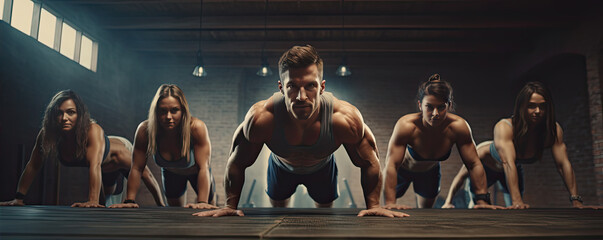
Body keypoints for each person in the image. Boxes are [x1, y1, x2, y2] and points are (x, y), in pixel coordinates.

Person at [194, 45, 407, 217]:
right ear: (281, 87)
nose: (301, 96)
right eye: (292, 86)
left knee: (325, 216)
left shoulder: (344, 119)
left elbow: (370, 161)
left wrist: (373, 206)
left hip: (323, 168)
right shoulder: (261, 118)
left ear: (322, 87)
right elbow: (237, 161)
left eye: (310, 86)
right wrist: (230, 206)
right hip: (280, 166)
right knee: (277, 214)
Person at [442, 81, 596, 209]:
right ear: (522, 106)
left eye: (542, 106)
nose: (537, 111)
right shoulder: (505, 128)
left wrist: (576, 200)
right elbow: (463, 176)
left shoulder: (552, 131)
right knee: (480, 205)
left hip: (512, 168)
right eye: (531, 106)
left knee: (517, 208)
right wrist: (448, 201)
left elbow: (563, 164)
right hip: (488, 169)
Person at [0, 90, 164, 207]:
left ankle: (162, 203)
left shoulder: (93, 130)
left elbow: (95, 165)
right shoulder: (48, 134)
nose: (64, 118)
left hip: (117, 153)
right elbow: (33, 165)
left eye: (70, 112)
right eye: (59, 113)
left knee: (137, 179)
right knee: (104, 203)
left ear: (80, 115)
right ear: (52, 115)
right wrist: (18, 198)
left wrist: (162, 208)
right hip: (102, 165)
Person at [382, 74, 499, 209]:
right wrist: (390, 203)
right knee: (390, 208)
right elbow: (391, 165)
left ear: (448, 105)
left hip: (429, 172)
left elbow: (473, 164)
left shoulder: (458, 127)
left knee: (426, 214)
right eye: (429, 107)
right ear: (420, 105)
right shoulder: (407, 125)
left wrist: (481, 200)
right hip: (402, 170)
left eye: (441, 107)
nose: (435, 113)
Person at [109, 84, 216, 209]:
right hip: (171, 175)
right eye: (163, 111)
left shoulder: (196, 128)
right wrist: (129, 201)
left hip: (198, 173)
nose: (168, 117)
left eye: (174, 110)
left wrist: (202, 202)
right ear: (156, 111)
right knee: (175, 216)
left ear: (183, 110)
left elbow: (203, 167)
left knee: (208, 211)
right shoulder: (145, 130)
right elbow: (137, 168)